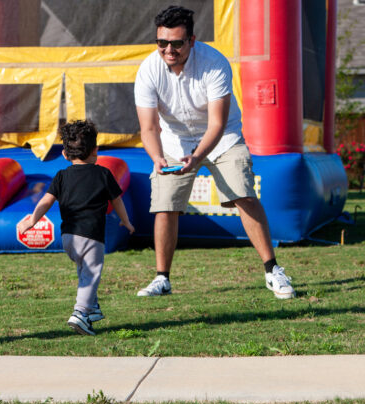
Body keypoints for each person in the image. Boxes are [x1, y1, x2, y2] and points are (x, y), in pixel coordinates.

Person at [133, 5, 295, 299]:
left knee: (243, 195)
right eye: (162, 43)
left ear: (192, 40)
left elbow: (217, 123)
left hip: (222, 138)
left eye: (177, 43)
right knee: (164, 204)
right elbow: (148, 127)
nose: (169, 50)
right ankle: (162, 279)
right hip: (173, 142)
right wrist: (157, 157)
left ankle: (273, 270)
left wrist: (196, 157)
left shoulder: (214, 62)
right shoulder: (148, 69)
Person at [17, 120, 135, 336]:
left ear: (64, 154)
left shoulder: (61, 176)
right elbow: (117, 201)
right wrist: (126, 221)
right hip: (92, 236)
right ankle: (80, 313)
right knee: (91, 275)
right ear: (95, 151)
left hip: (68, 238)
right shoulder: (103, 174)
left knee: (84, 272)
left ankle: (92, 309)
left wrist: (33, 220)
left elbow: (45, 200)